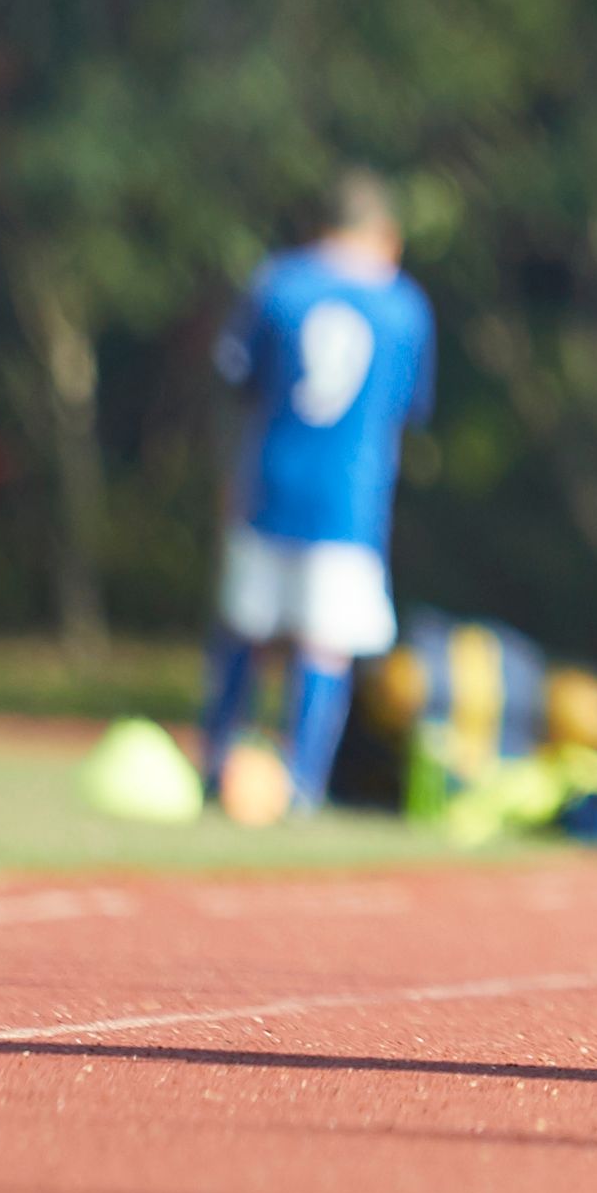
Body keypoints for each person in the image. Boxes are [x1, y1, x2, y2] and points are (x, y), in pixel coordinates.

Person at [197, 171, 439, 815]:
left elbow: (238, 384)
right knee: (324, 643)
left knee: (245, 629)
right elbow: (407, 412)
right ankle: (302, 782)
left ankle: (215, 763)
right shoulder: (404, 305)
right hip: (349, 501)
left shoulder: (280, 282)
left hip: (268, 483)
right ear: (385, 235)